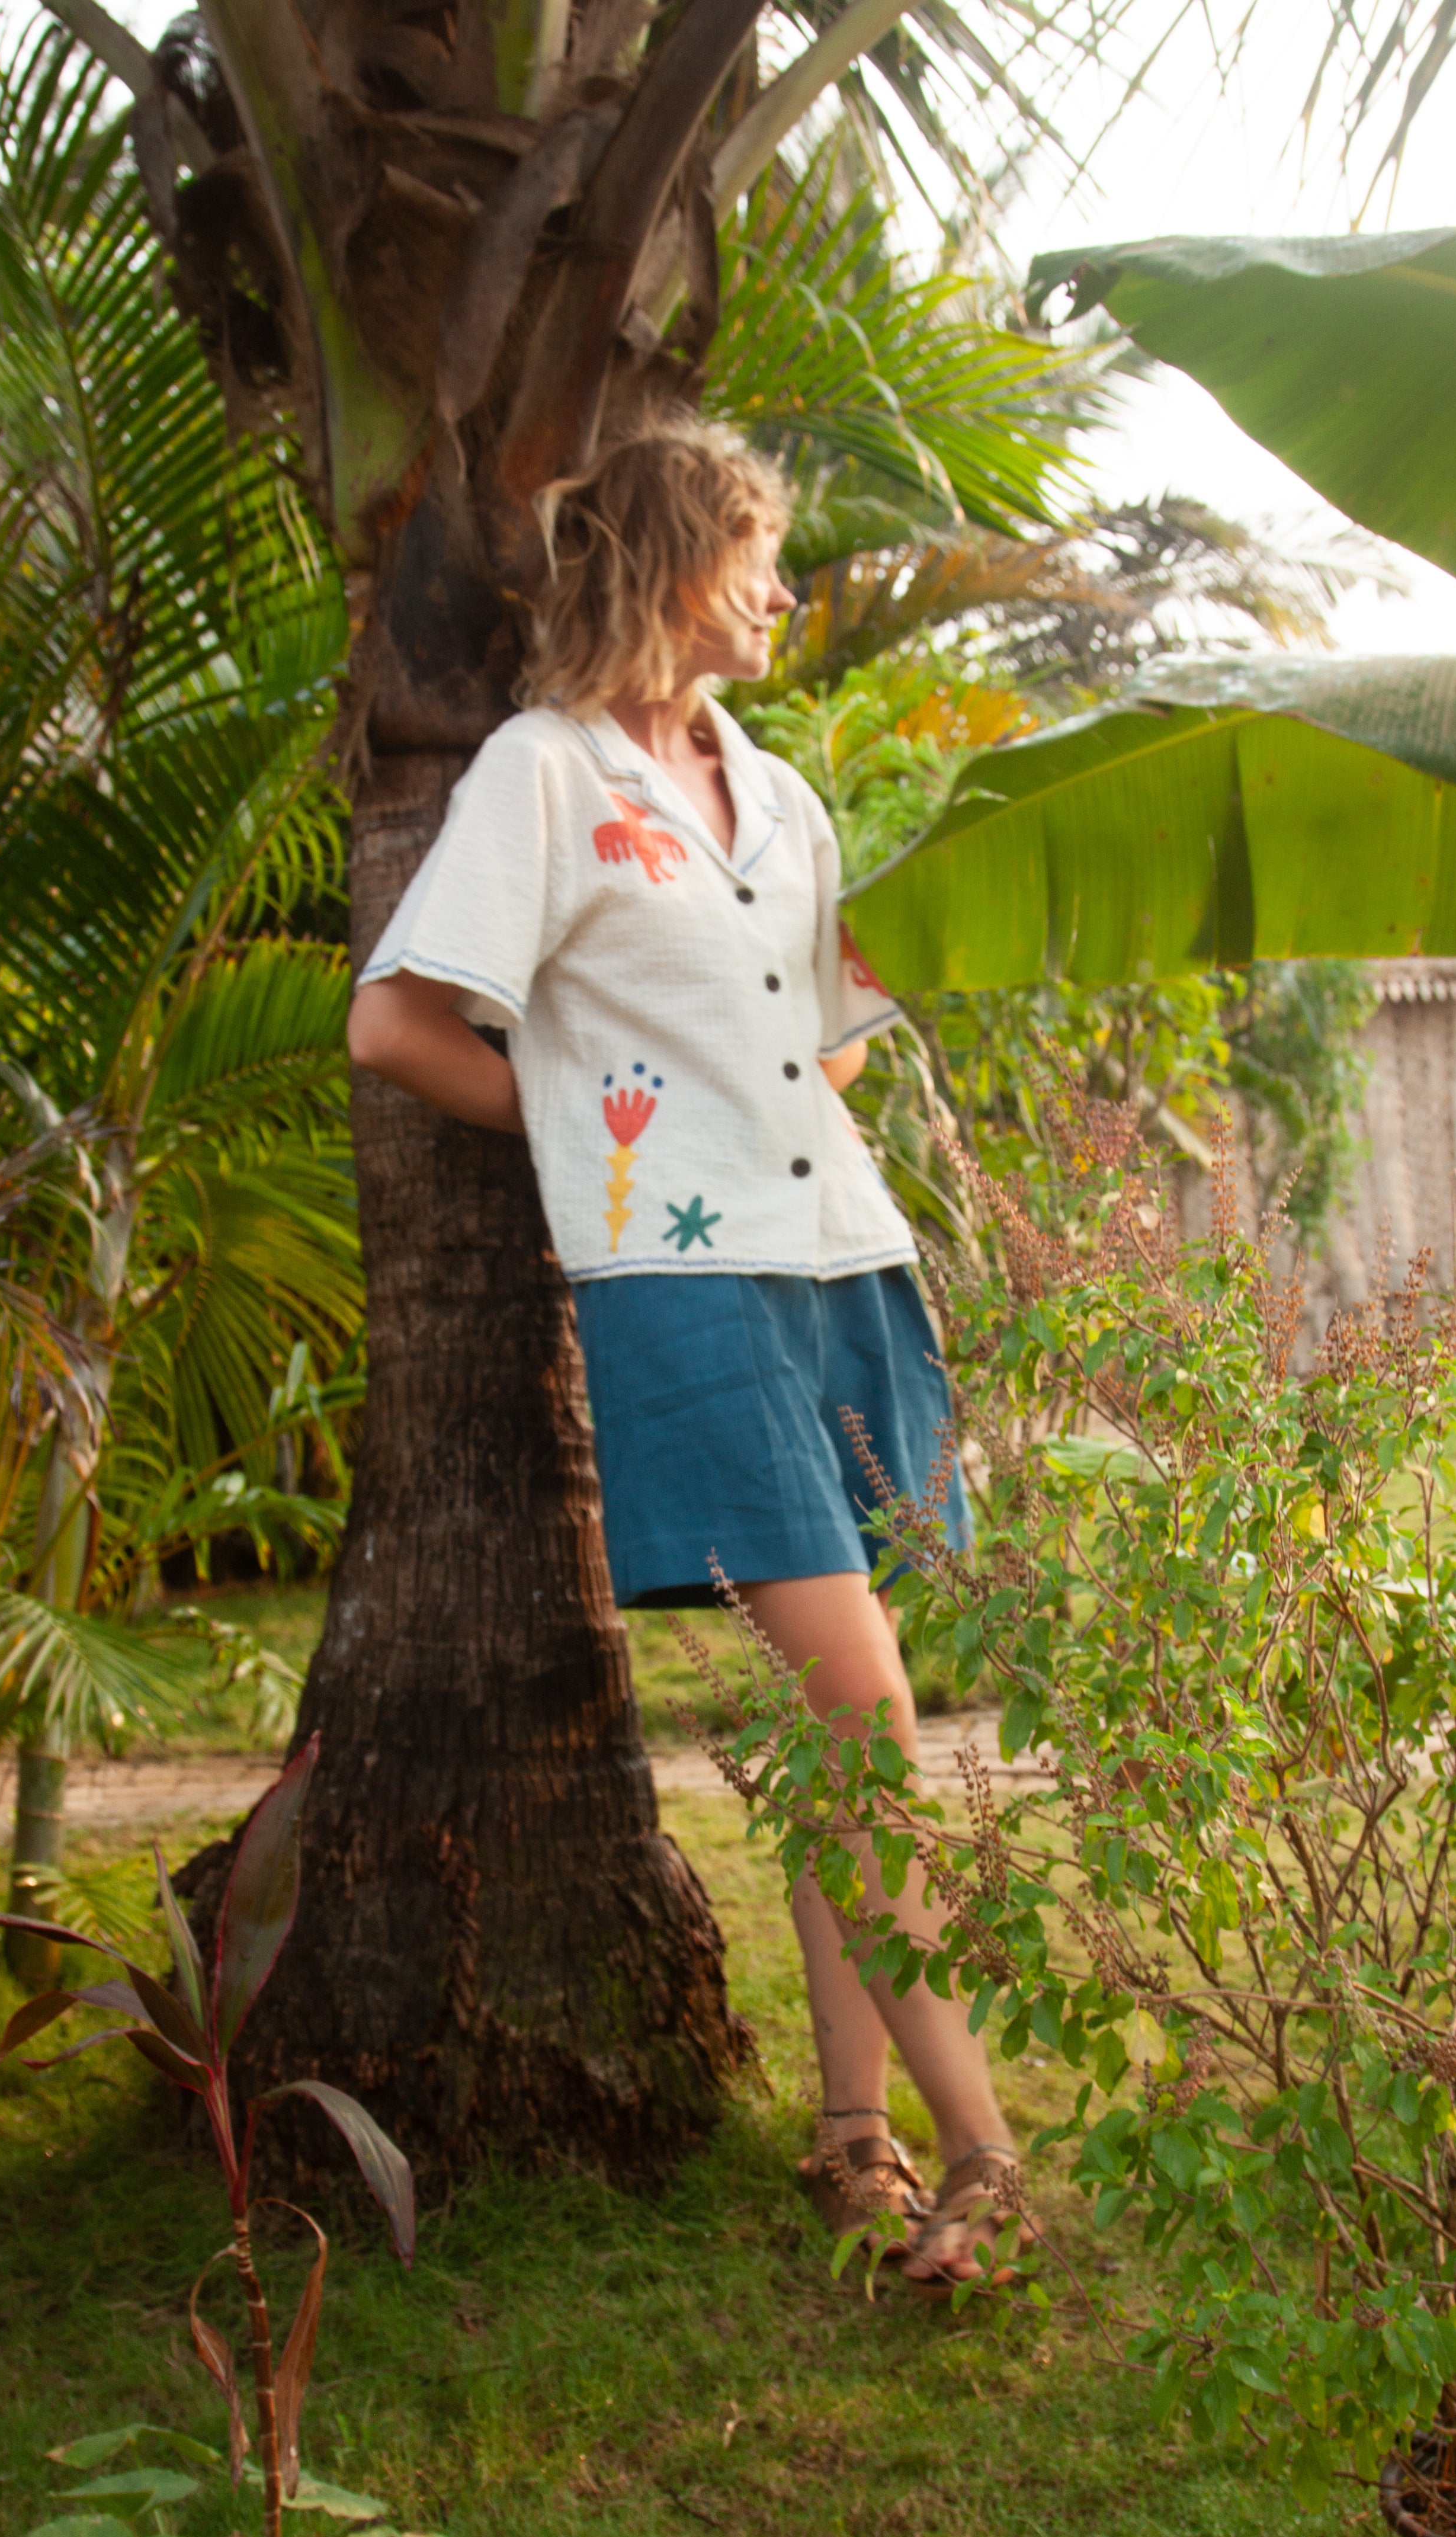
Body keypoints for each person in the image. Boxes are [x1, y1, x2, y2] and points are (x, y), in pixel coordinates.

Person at [346, 419, 1025, 2284]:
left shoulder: (784, 796)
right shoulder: (543, 774)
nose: (786, 592)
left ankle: (851, 2135)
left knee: (839, 1737)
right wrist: (587, 1127)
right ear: (672, 562)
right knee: (874, 1723)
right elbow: (395, 1026)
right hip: (689, 1289)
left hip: (849, 1261)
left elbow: (832, 1033)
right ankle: (985, 2154)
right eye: (759, 557)